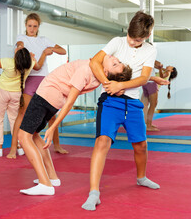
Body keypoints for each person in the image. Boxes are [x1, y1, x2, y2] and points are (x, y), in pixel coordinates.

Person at [82, 11, 169, 211]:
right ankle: (94, 193)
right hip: (111, 102)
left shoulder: (149, 50)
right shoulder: (117, 42)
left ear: (146, 37)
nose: (131, 42)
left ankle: (142, 177)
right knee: (102, 141)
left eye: (137, 40)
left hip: (133, 104)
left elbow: (143, 77)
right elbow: (94, 62)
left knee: (141, 145)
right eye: (130, 37)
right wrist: (107, 83)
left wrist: (122, 86)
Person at [18, 55, 132, 196]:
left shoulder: (86, 70)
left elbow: (70, 102)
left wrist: (53, 128)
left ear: (106, 72)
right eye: (118, 61)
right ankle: (52, 177)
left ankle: (44, 183)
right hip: (53, 99)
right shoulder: (96, 73)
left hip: (45, 95)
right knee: (34, 135)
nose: (115, 58)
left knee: (23, 136)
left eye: (115, 64)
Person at [7, 13, 67, 159]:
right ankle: (13, 148)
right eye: (29, 26)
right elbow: (19, 45)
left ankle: (57, 145)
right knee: (22, 113)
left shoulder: (44, 40)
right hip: (29, 79)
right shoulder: (22, 38)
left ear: (38, 27)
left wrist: (49, 50)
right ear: (26, 26)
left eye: (35, 26)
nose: (32, 29)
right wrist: (20, 48)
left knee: (51, 115)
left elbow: (63, 50)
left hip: (45, 81)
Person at [141, 62, 176, 131]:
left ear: (172, 70)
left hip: (146, 83)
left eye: (170, 66)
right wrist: (160, 68)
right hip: (151, 85)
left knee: (145, 105)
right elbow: (161, 72)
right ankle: (148, 125)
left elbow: (162, 75)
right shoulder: (165, 71)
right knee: (152, 105)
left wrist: (160, 68)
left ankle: (147, 123)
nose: (168, 65)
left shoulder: (167, 73)